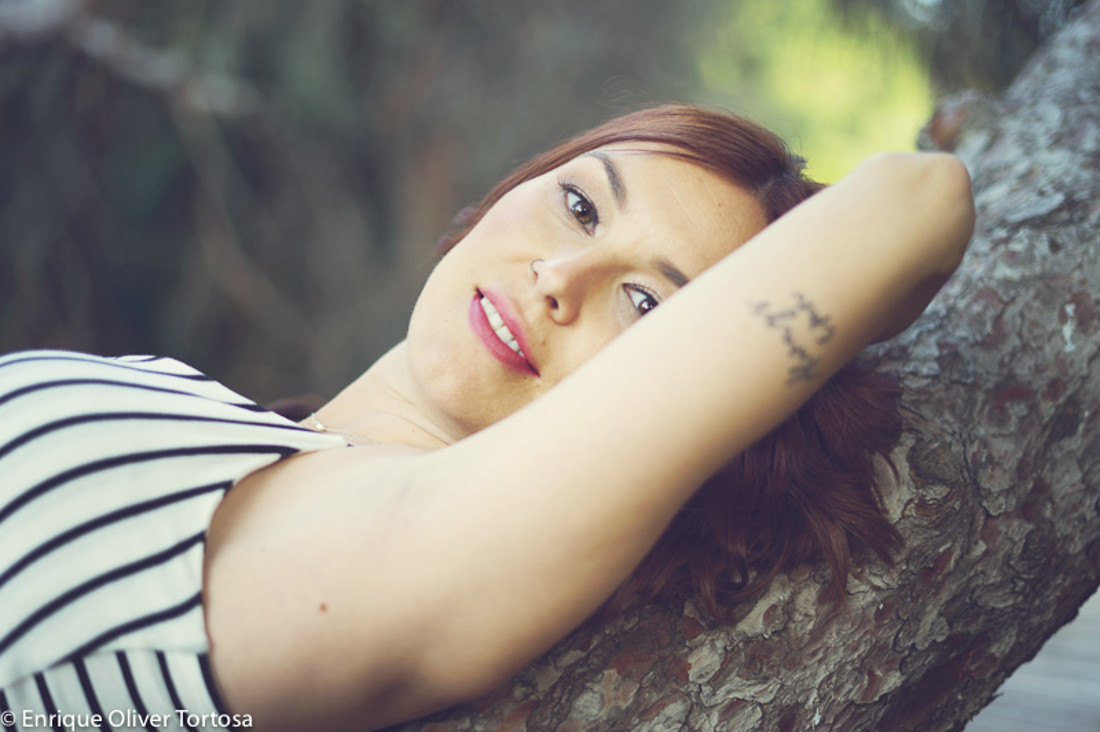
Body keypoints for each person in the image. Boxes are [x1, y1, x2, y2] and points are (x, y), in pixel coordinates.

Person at [0, 105, 974, 731]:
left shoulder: (412, 563)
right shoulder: (239, 434)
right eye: (580, 209)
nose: (559, 277)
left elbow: (916, 201)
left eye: (645, 305)